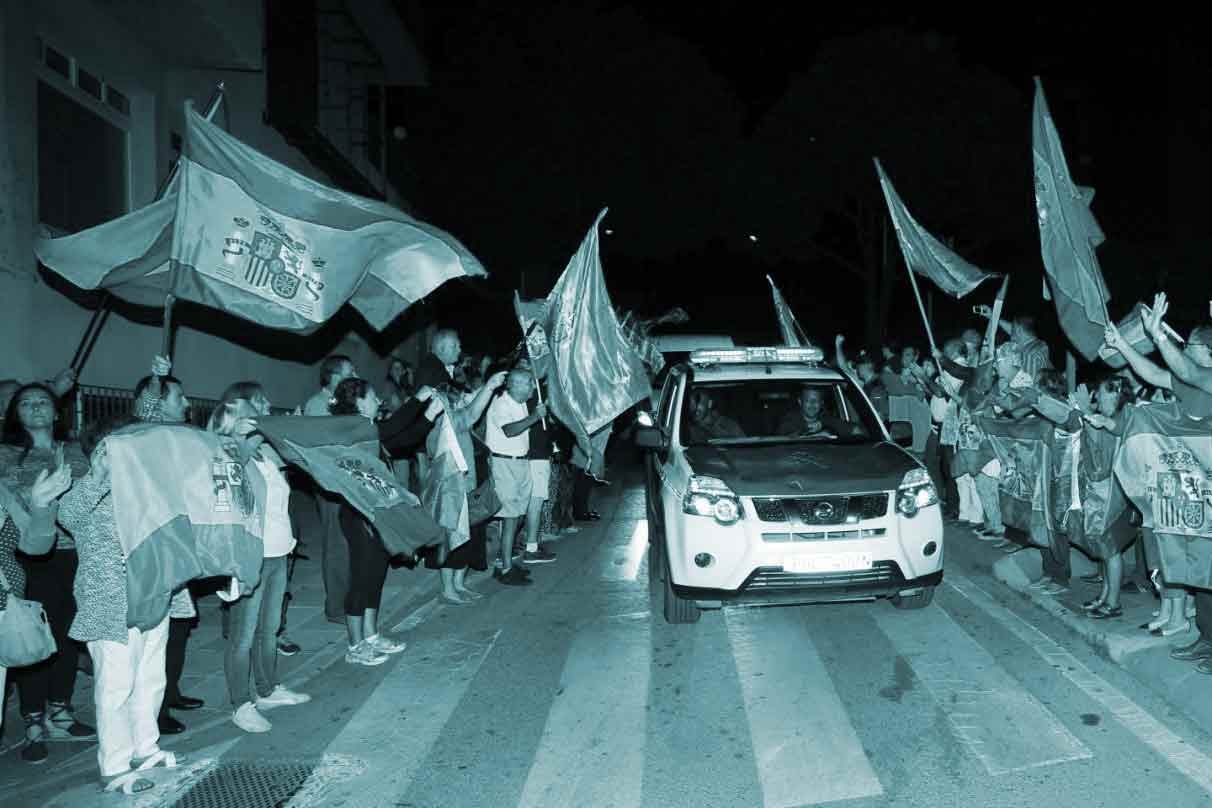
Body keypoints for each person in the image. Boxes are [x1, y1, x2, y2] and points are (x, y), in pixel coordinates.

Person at [57, 415, 177, 795]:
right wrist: (98, 475)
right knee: (116, 686)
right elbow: (67, 515)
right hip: (110, 603)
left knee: (151, 678)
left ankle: (145, 747)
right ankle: (114, 765)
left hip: (155, 597)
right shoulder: (88, 488)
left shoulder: (149, 487)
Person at [0, 383, 95, 764]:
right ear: (15, 413)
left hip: (74, 552)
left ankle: (62, 709)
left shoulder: (75, 450)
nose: (36, 408)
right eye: (26, 403)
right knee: (33, 636)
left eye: (43, 402)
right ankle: (33, 721)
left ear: (57, 412)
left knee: (69, 632)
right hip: (26, 555)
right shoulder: (5, 454)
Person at [210, 385, 311, 733]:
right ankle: (241, 703)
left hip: (279, 551)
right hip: (249, 556)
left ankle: (268, 689)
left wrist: (293, 428)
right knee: (242, 634)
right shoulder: (223, 456)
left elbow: (296, 456)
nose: (253, 419)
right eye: (244, 415)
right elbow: (228, 484)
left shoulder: (263, 456)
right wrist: (242, 439)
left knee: (269, 630)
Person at [330, 377, 446, 662]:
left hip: (377, 511)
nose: (378, 402)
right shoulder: (353, 428)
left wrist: (429, 416)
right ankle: (355, 646)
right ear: (358, 402)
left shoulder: (369, 432)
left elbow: (399, 440)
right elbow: (393, 427)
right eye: (371, 397)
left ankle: (371, 635)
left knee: (376, 575)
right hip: (358, 513)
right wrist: (418, 399)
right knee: (361, 577)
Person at [131, 357, 203, 736]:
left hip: (179, 544)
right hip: (155, 546)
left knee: (178, 627)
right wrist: (157, 378)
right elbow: (145, 411)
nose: (186, 402)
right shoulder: (147, 433)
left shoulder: (183, 436)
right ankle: (153, 711)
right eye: (179, 396)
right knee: (158, 631)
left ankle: (170, 691)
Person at [486, 370, 546, 585]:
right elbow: (509, 431)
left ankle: (505, 561)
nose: (532, 387)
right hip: (505, 463)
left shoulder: (519, 403)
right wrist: (534, 418)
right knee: (511, 517)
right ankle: (505, 568)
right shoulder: (501, 404)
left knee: (518, 514)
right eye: (529, 383)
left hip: (519, 462)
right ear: (514, 385)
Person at [777, 387, 861, 438]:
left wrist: (826, 425)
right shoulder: (789, 421)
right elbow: (783, 439)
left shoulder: (827, 420)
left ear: (821, 403)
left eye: (816, 400)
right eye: (807, 400)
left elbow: (857, 432)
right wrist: (816, 435)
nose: (812, 404)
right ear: (800, 402)